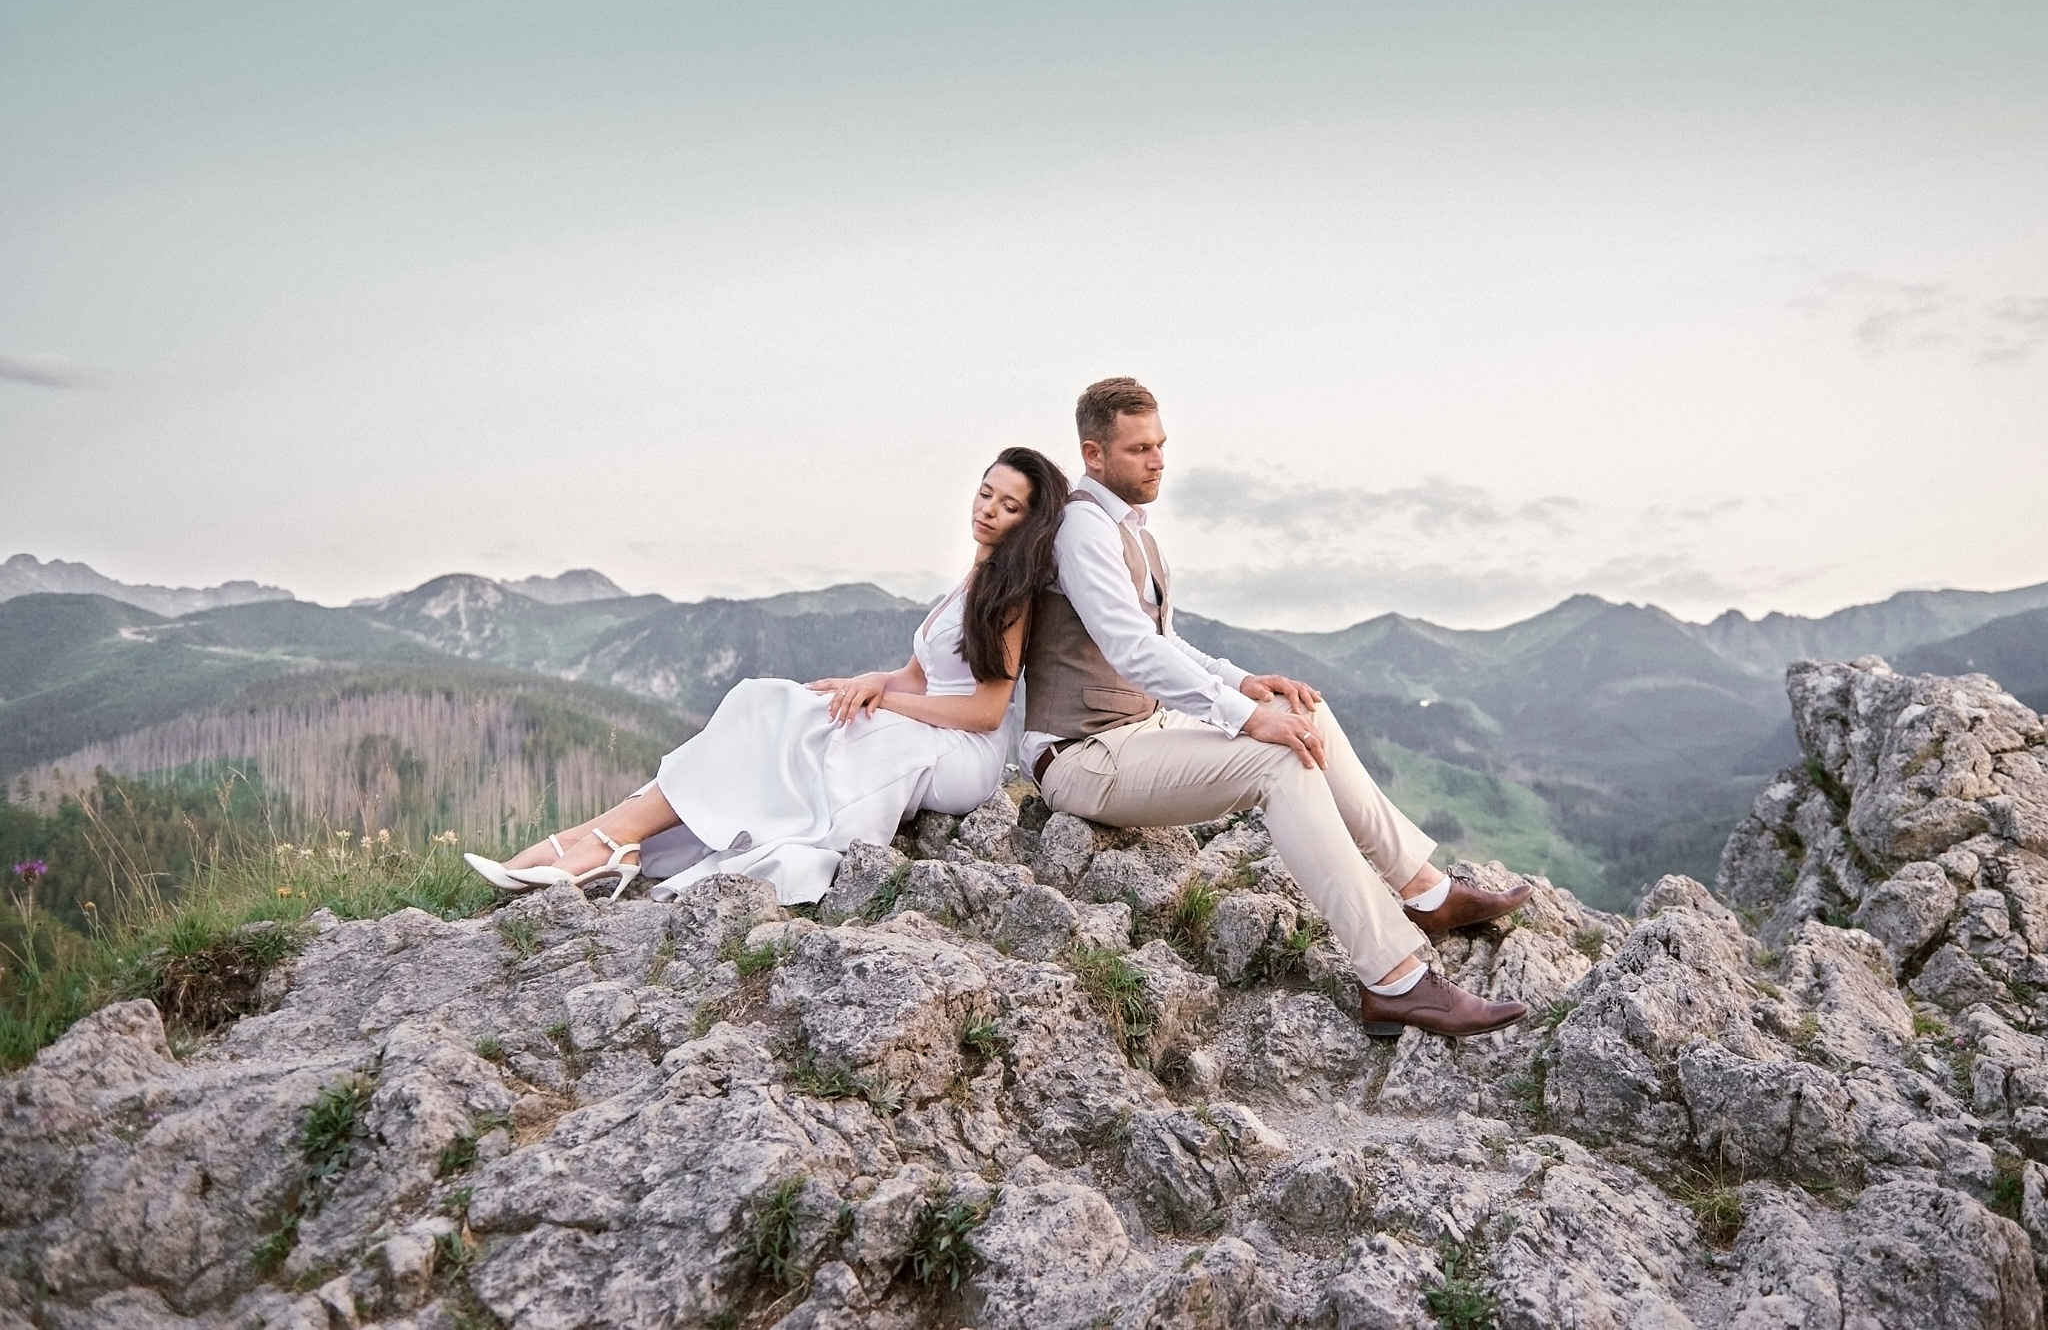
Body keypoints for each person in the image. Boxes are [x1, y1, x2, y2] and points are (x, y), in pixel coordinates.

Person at [1024, 378, 1533, 1039]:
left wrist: (1248, 686)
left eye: (1161, 445)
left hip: (1139, 729)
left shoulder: (1134, 531)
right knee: (1279, 762)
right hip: (1082, 754)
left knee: (1303, 714)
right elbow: (1130, 651)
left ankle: (1426, 892)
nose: (1158, 461)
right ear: (1094, 455)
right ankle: (1395, 980)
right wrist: (1243, 718)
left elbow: (1165, 641)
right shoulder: (1082, 531)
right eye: (1139, 449)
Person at [464, 447, 1069, 905]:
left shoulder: (1011, 595)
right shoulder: (971, 577)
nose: (988, 509)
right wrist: (867, 683)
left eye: (1008, 506)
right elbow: (918, 674)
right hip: (933, 726)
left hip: (965, 754)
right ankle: (610, 834)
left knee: (850, 730)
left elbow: (986, 712)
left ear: (1028, 522)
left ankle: (605, 842)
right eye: (986, 493)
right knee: (775, 703)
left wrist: (886, 705)